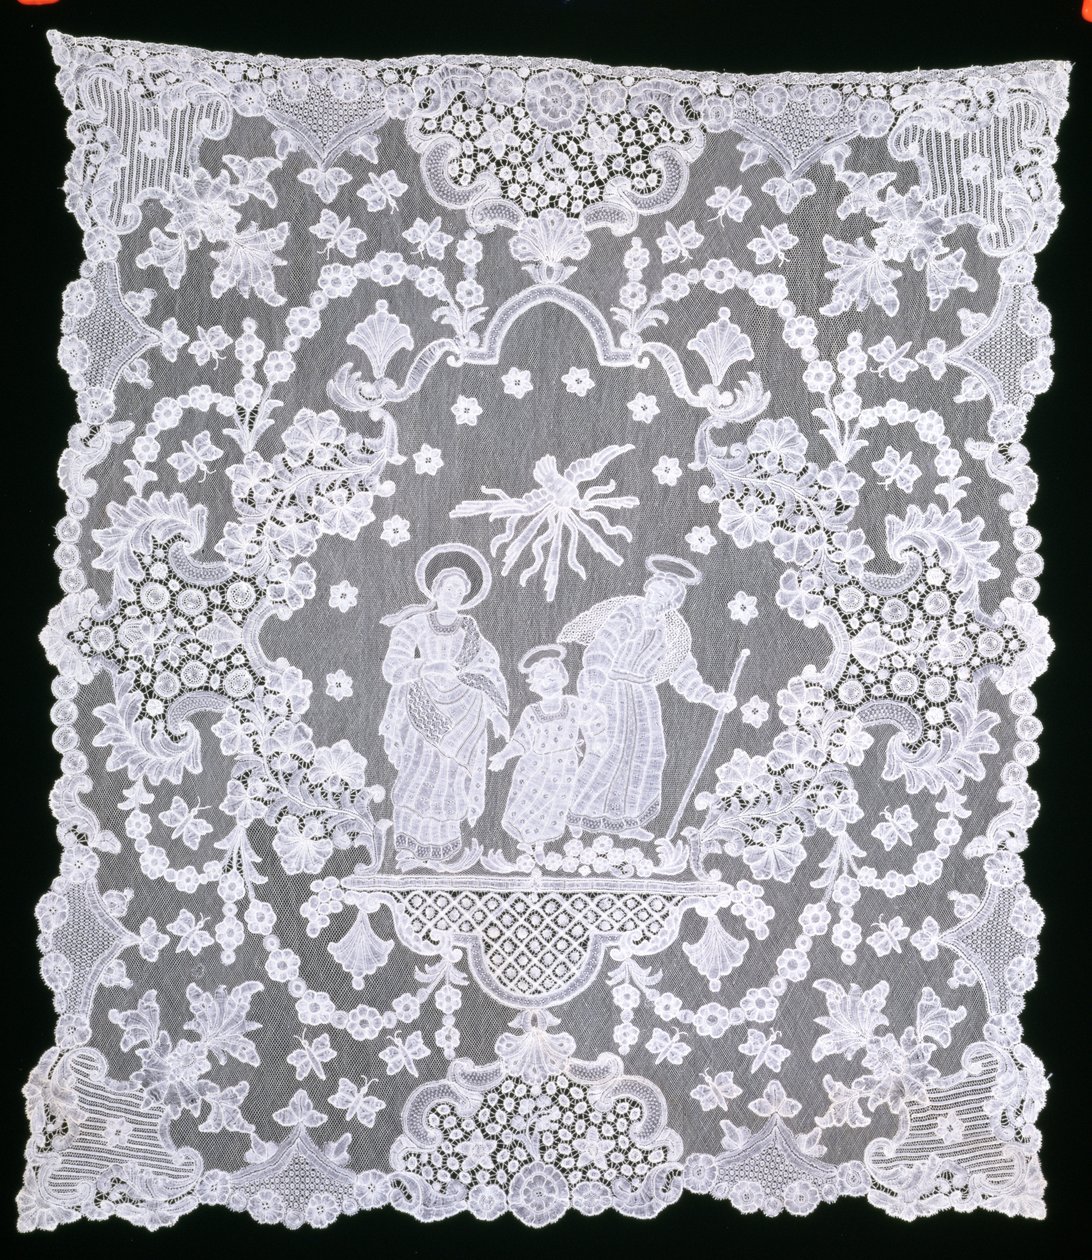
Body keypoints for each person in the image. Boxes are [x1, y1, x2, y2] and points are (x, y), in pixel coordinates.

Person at [560, 555, 734, 841]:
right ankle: (576, 814)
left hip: (642, 699)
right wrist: (592, 689)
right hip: (611, 691)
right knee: (606, 751)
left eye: (665, 596)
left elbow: (683, 671)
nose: (657, 598)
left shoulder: (674, 630)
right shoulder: (628, 613)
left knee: (646, 756)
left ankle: (628, 821)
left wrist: (712, 698)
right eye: (656, 590)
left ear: (673, 602)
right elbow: (601, 649)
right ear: (648, 588)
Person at [380, 545, 508, 862]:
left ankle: (444, 845)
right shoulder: (413, 625)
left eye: (460, 591)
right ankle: (407, 845)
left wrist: (496, 714)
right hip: (421, 708)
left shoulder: (470, 630)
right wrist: (428, 667)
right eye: (449, 588)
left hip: (464, 713)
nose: (454, 595)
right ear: (435, 590)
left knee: (451, 778)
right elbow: (392, 669)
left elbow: (488, 671)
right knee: (417, 772)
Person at [489, 646, 608, 859]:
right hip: (534, 768)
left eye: (551, 678)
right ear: (535, 686)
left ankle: (542, 845)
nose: (548, 683)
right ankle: (531, 844)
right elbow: (521, 740)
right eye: (541, 680)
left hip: (564, 767)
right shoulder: (532, 712)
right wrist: (503, 756)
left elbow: (595, 716)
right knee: (531, 805)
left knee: (553, 807)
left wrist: (598, 740)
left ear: (562, 677)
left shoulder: (572, 704)